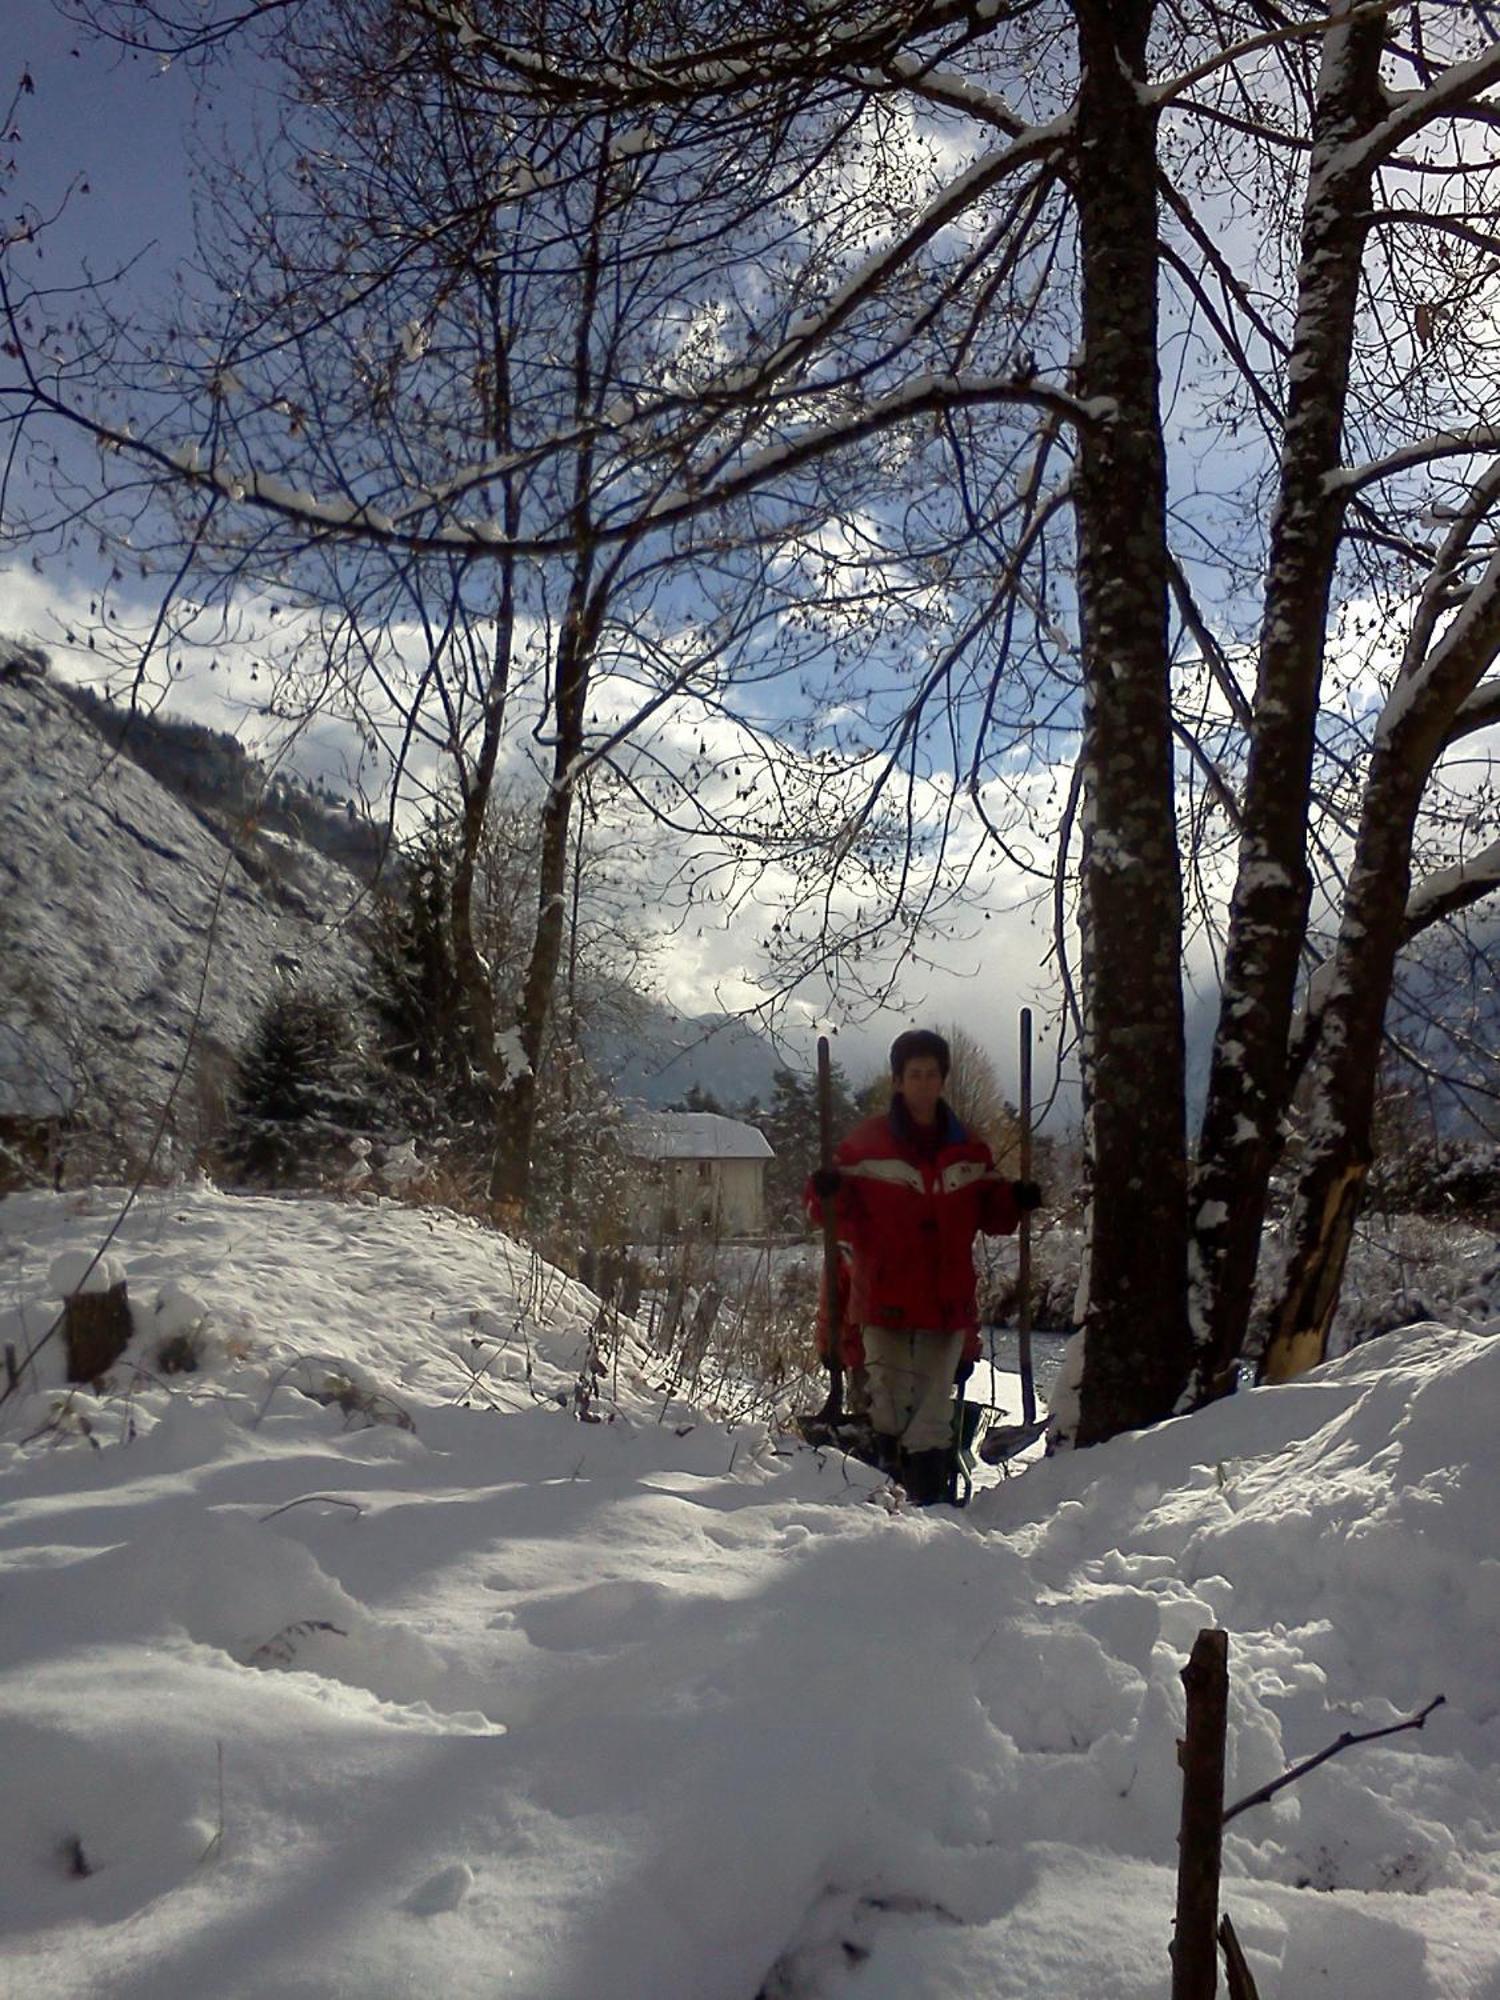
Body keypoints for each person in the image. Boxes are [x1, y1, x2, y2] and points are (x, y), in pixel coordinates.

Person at [807, 1028, 1042, 1505]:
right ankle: (891, 1504)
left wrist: (1016, 1200)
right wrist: (822, 1191)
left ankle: (929, 1508)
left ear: (943, 1079)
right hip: (884, 1298)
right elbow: (833, 1217)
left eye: (931, 1074)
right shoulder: (865, 1146)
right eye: (914, 1074)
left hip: (945, 1301)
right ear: (897, 1080)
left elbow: (993, 1215)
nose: (923, 1083)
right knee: (888, 1406)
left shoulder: (968, 1149)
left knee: (933, 1411)